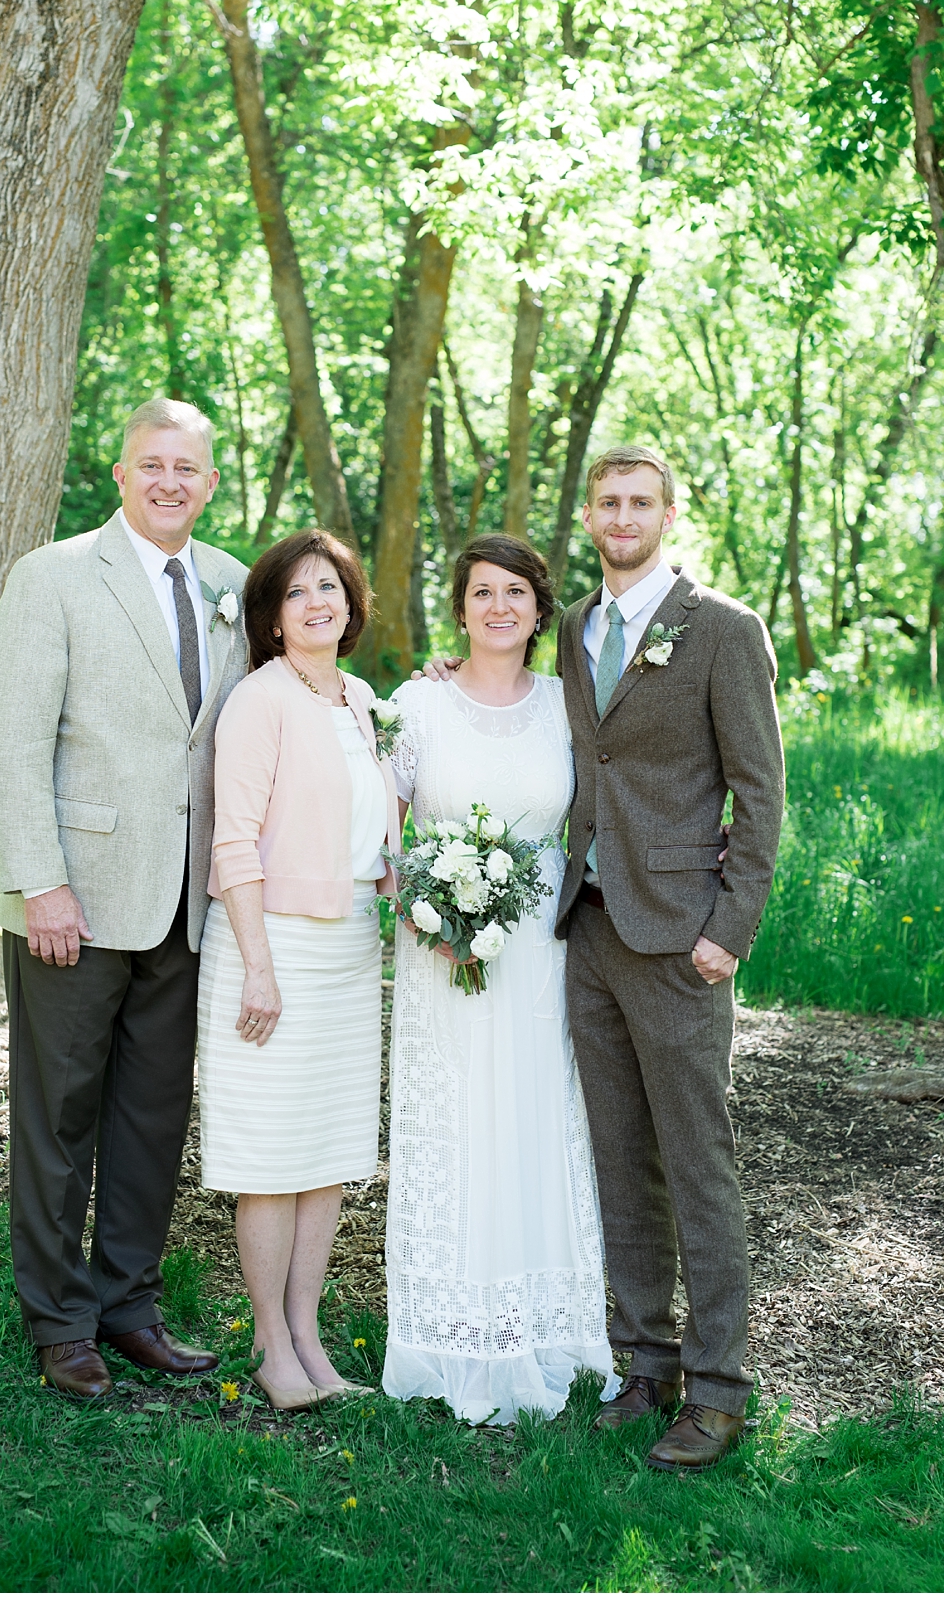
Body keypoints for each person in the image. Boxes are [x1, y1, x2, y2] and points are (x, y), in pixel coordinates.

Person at [0, 398, 250, 1400]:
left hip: (185, 899)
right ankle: (59, 1318)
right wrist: (37, 880)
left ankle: (129, 1302)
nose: (169, 481)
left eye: (188, 468)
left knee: (150, 1113)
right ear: (121, 471)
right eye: (152, 464)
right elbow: (9, 737)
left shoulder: (229, 584)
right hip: (75, 899)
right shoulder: (50, 576)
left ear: (209, 481)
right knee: (60, 1115)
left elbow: (267, 713)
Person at [552, 446, 783, 1471]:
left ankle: (721, 1387)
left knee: (698, 1161)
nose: (621, 514)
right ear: (588, 516)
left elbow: (760, 793)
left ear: (668, 513)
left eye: (639, 501)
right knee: (619, 1159)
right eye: (606, 500)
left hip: (681, 937)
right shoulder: (573, 628)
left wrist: (725, 930)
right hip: (590, 927)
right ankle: (643, 1361)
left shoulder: (722, 630)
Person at [381, 535, 618, 1425]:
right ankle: (450, 1325)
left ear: (539, 606)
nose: (498, 607)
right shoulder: (418, 703)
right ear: (461, 607)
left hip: (541, 949)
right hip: (440, 950)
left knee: (533, 1117)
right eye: (481, 591)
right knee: (456, 1121)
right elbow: (383, 826)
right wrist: (424, 910)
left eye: (515, 591)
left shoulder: (569, 705)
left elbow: (626, 788)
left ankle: (548, 1325)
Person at [197, 529, 398, 1412]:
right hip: (271, 944)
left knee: (329, 1155)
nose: (319, 601)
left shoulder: (364, 700)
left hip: (352, 947)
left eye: (333, 586)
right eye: (298, 592)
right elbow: (233, 840)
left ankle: (310, 1333)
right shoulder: (258, 699)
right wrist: (257, 966)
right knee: (270, 1156)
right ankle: (271, 1345)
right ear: (273, 619)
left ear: (352, 604)